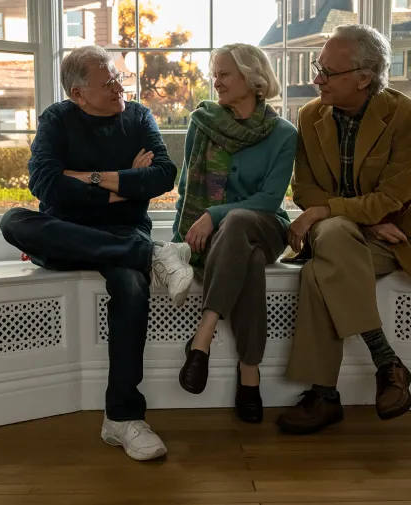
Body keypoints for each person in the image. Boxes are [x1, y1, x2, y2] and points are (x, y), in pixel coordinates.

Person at [0, 45, 194, 460]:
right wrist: (122, 186)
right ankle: (152, 256)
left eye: (118, 79)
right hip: (66, 233)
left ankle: (122, 419)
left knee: (129, 284)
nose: (118, 87)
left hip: (125, 233)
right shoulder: (57, 118)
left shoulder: (138, 116)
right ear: (77, 93)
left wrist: (87, 180)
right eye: (107, 83)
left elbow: (163, 175)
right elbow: (45, 185)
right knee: (13, 221)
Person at [276, 25, 411, 435]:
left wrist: (340, 215)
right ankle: (386, 361)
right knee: (336, 233)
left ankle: (324, 395)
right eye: (317, 67)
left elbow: (394, 196)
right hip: (355, 233)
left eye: (327, 71)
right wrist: (360, 220)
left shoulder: (406, 115)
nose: (316, 79)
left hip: (394, 237)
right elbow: (304, 188)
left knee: (315, 272)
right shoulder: (309, 116)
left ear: (364, 77)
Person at [173, 43, 297, 424]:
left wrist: (214, 214)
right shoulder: (203, 121)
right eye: (216, 73)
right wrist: (184, 242)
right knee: (251, 262)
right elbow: (186, 187)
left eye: (225, 74)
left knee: (241, 221)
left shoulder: (284, 133)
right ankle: (250, 375)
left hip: (265, 225)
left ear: (252, 78)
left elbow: (269, 198)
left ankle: (202, 338)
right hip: (225, 242)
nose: (216, 81)